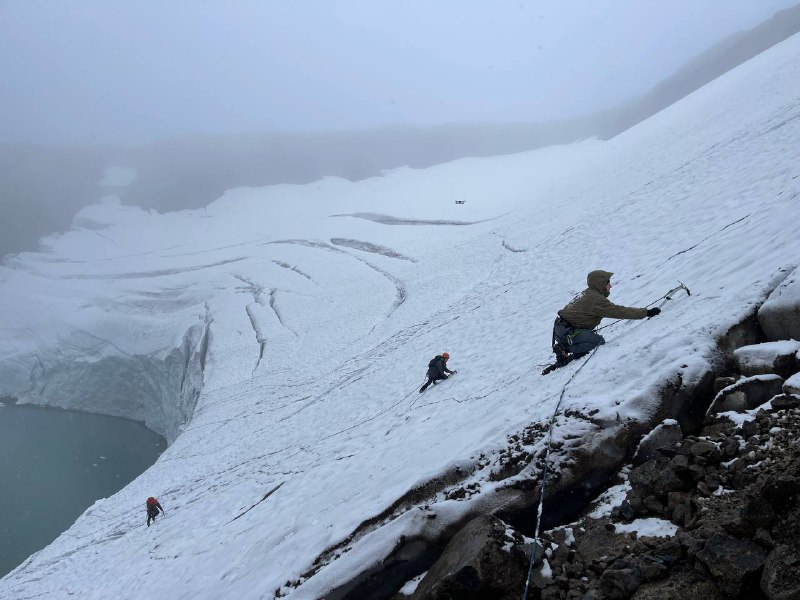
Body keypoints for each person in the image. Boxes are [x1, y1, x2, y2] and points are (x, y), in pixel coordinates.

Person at [543, 270, 660, 374]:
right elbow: (619, 311)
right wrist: (646, 313)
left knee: (592, 341)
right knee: (598, 342)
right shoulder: (595, 299)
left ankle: (566, 349)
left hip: (562, 329)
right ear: (600, 284)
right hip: (567, 333)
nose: (610, 286)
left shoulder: (588, 293)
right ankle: (565, 348)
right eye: (608, 282)